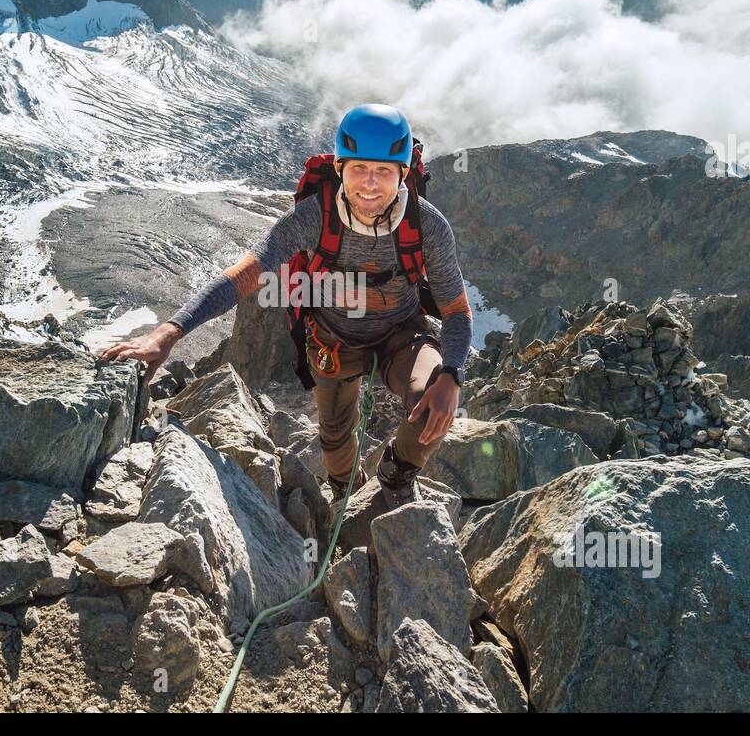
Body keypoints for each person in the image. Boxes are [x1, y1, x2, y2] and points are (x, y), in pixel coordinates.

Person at [96, 103, 473, 508]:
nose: (369, 183)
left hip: (403, 334)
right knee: (334, 442)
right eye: (359, 169)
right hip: (334, 340)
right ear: (340, 168)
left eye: (383, 171)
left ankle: (396, 471)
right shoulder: (315, 216)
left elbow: (456, 313)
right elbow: (246, 274)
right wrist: (168, 333)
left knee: (434, 396)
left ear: (402, 174)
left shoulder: (427, 225)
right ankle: (346, 492)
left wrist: (451, 375)